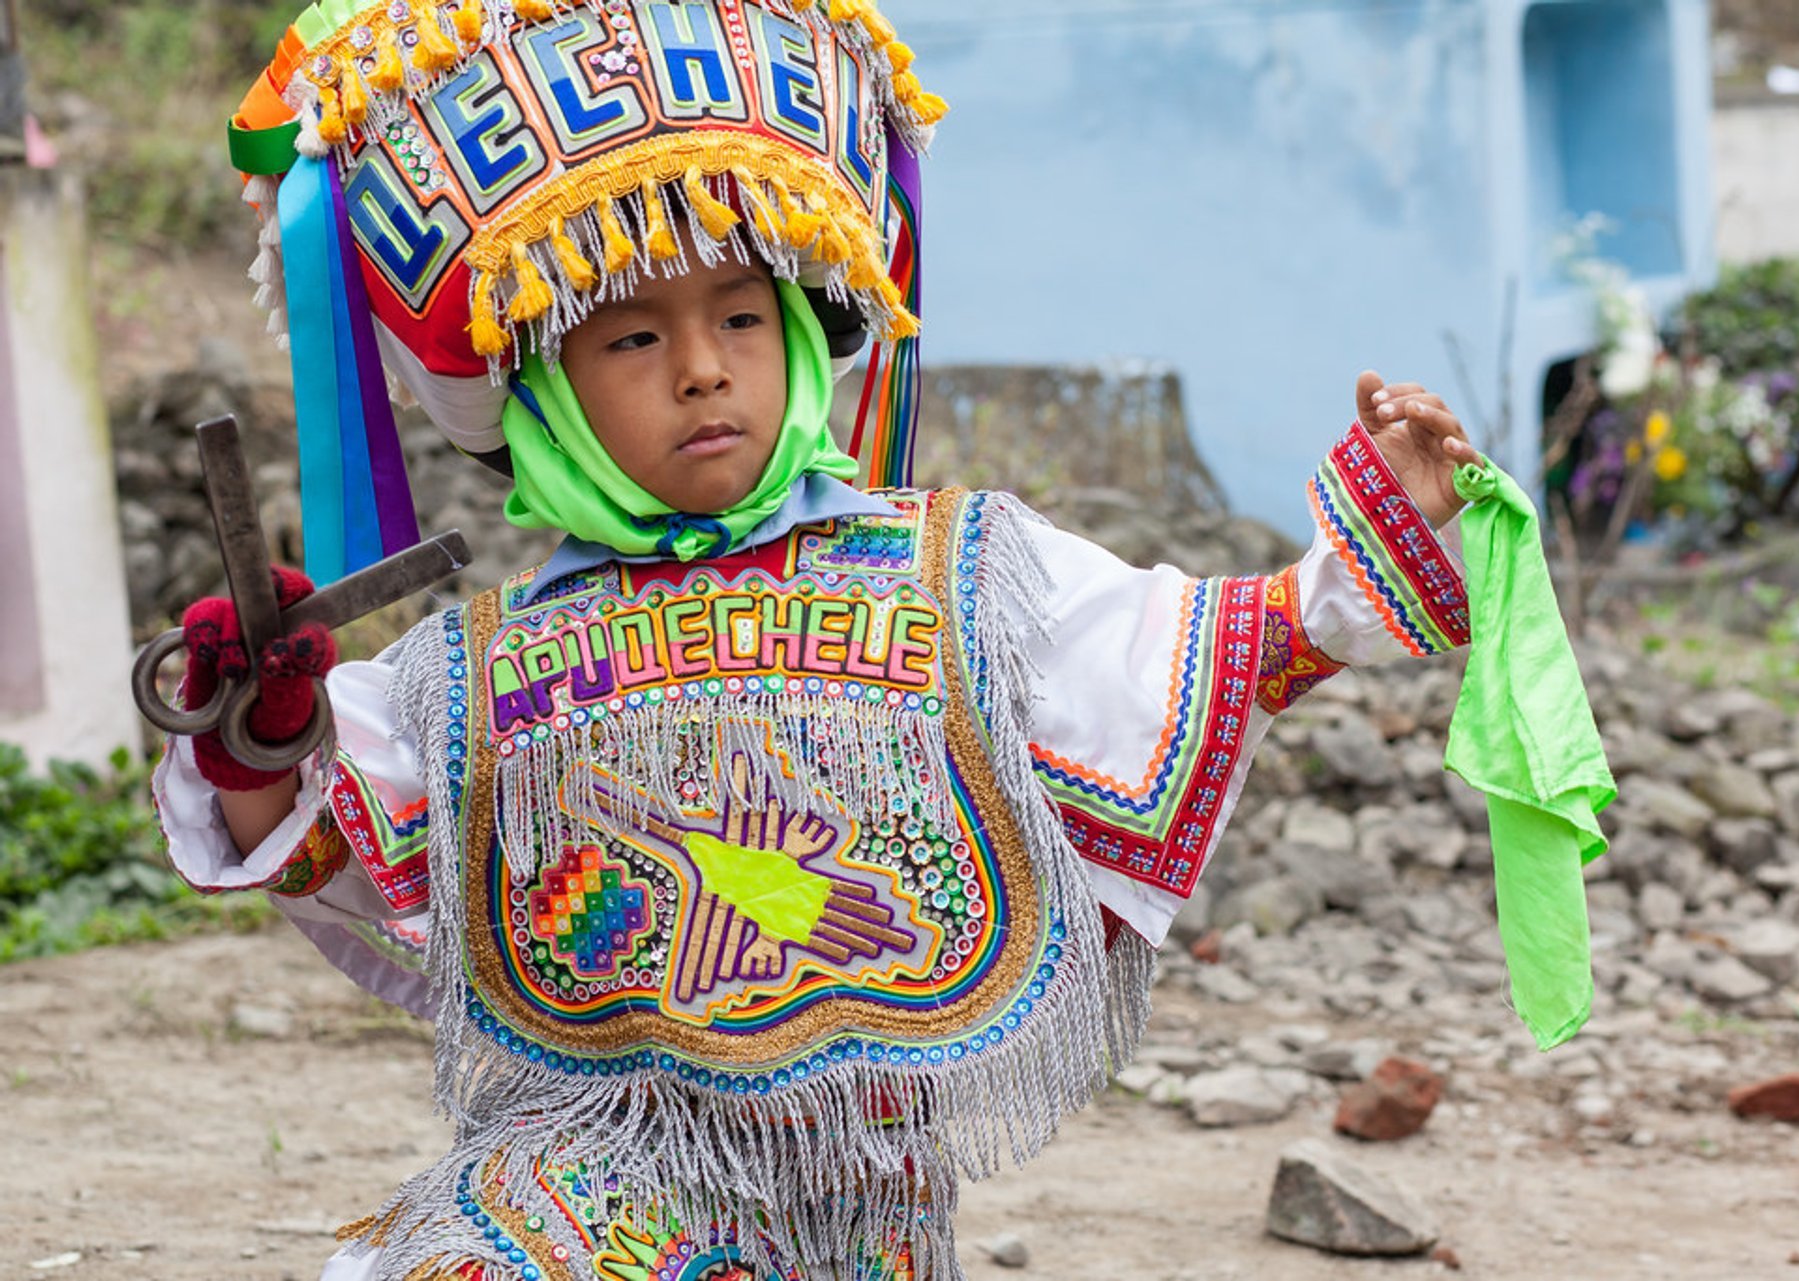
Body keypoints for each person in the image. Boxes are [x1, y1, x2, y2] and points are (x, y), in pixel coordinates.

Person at [151, 2, 1604, 1277]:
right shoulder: (476, 672)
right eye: (633, 336)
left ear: (803, 335)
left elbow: (1223, 645)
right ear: (539, 393)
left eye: (742, 313)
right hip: (575, 1161)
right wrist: (262, 727)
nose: (707, 365)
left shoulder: (958, 573)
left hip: (858, 1204)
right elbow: (330, 847)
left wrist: (1383, 539)